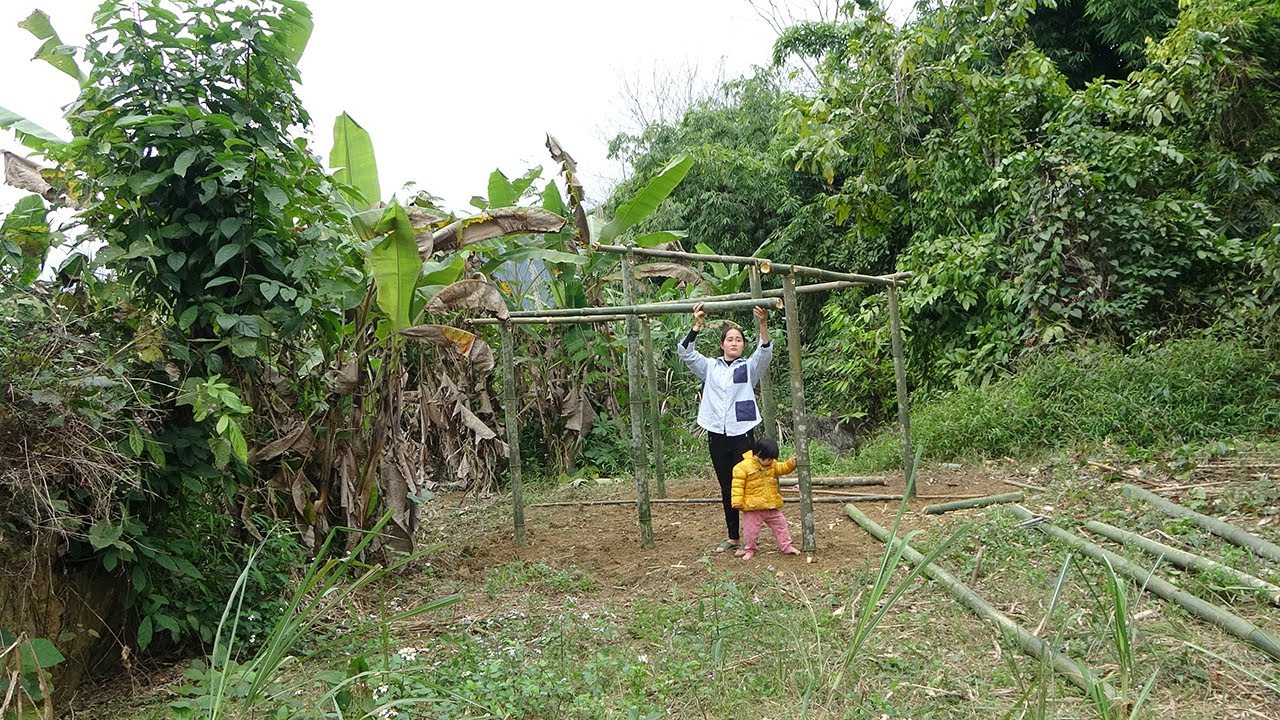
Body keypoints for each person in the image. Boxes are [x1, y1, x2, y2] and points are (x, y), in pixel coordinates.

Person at [677, 302, 773, 553]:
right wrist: (697, 325)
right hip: (717, 434)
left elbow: (764, 354)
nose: (734, 343)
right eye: (729, 339)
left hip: (743, 433)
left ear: (743, 345)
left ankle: (751, 540)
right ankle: (733, 537)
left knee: (750, 483)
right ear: (722, 344)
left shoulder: (747, 368)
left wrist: (762, 324)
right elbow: (685, 352)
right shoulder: (710, 367)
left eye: (739, 340)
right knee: (727, 486)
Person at [730, 436, 801, 560]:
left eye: (772, 459)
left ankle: (786, 546)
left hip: (771, 506)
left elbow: (782, 468)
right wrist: (737, 502)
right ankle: (749, 549)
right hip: (753, 508)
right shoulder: (742, 467)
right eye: (768, 458)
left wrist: (791, 463)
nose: (770, 461)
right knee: (750, 531)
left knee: (781, 525)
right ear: (758, 454)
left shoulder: (772, 465)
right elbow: (737, 485)